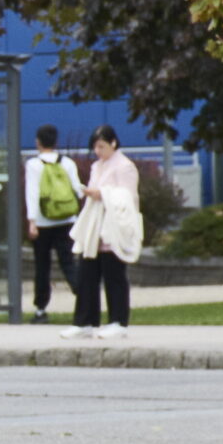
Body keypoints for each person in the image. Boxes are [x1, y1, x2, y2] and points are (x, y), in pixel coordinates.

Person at [63, 125, 140, 339]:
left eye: (101, 146)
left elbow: (128, 196)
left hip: (114, 226)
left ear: (113, 143)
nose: (98, 151)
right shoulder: (98, 166)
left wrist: (103, 194)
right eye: (95, 147)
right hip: (95, 227)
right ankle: (84, 321)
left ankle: (118, 321)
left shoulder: (124, 166)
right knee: (88, 273)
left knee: (114, 274)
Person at [24, 124, 84, 324]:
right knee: (68, 262)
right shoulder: (67, 163)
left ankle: (41, 310)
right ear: (56, 141)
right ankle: (83, 301)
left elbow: (32, 193)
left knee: (42, 267)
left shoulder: (33, 164)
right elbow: (78, 189)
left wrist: (31, 222)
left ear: (38, 142)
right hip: (66, 220)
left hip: (42, 222)